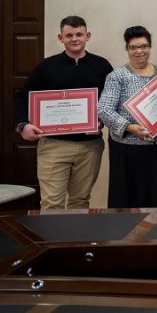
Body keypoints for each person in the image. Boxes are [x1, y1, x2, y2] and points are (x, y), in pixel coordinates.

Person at [13, 16, 113, 209]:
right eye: (69, 35)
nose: (74, 39)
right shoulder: (45, 67)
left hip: (90, 147)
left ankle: (76, 232)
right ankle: (52, 232)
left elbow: (111, 101)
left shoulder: (102, 66)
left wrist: (101, 121)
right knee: (52, 203)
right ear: (61, 38)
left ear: (87, 36)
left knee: (80, 202)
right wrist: (23, 125)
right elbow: (22, 97)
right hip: (53, 145)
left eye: (79, 34)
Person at [98, 26, 157, 208]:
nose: (139, 51)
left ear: (150, 47)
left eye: (144, 46)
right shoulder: (117, 76)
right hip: (130, 151)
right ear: (127, 49)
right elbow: (104, 110)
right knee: (132, 200)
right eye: (133, 47)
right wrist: (130, 127)